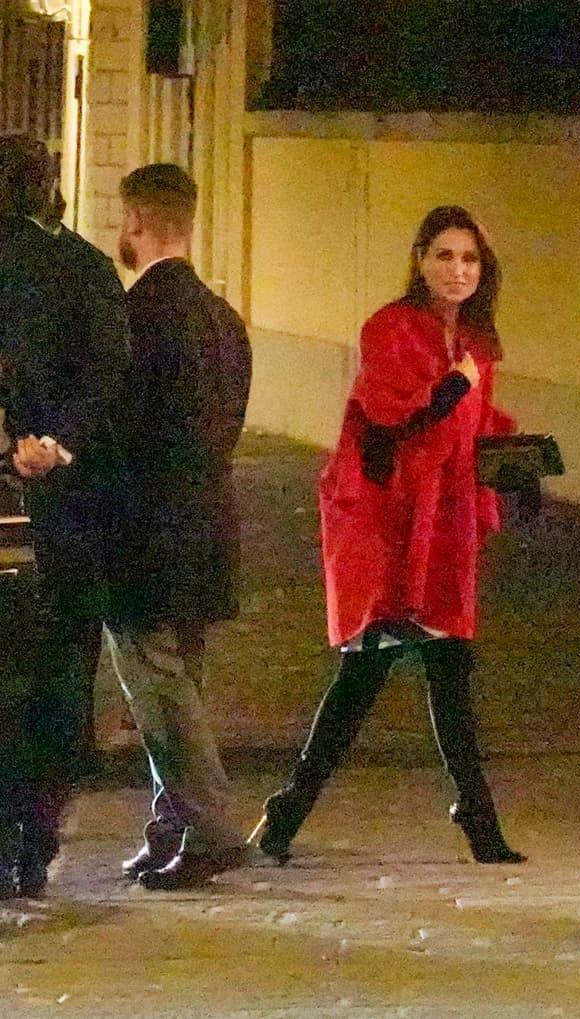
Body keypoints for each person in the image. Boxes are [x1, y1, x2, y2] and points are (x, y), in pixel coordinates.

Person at [251, 205, 525, 867]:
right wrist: (457, 384)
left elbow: (478, 427)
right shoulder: (391, 328)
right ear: (420, 259)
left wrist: (518, 467)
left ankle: (479, 818)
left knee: (451, 673)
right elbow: (392, 417)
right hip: (391, 524)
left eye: (469, 259)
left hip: (446, 525)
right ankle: (288, 811)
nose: (457, 271)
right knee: (361, 679)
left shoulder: (480, 343)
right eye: (444, 256)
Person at [106, 163, 253, 890]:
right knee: (181, 683)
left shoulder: (134, 318)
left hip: (146, 531)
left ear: (136, 223)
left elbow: (117, 433)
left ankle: (212, 823)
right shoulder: (225, 321)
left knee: (157, 688)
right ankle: (172, 825)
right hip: (208, 524)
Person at [0, 133, 130, 895]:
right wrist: (62, 442)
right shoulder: (84, 267)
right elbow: (110, 368)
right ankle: (38, 832)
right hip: (64, 506)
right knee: (59, 671)